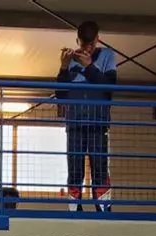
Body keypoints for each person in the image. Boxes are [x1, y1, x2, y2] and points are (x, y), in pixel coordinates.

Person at [55, 20, 117, 213]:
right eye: (84, 44)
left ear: (98, 39)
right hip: (75, 122)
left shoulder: (107, 55)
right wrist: (63, 67)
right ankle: (75, 209)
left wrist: (90, 66)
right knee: (75, 168)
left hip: (98, 122)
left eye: (91, 44)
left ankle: (103, 209)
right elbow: (60, 95)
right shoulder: (71, 59)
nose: (88, 48)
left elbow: (110, 87)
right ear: (77, 41)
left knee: (100, 167)